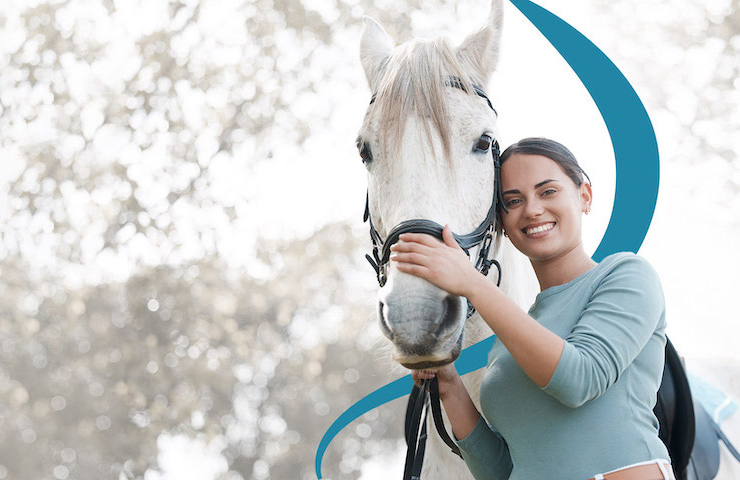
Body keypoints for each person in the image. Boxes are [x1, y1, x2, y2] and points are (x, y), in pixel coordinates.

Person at [389, 138, 674, 480]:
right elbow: (502, 472)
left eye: (548, 191)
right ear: (502, 226)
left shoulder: (627, 275)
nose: (533, 209)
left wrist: (470, 283)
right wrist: (449, 385)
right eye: (513, 201)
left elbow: (579, 379)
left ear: (584, 196)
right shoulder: (508, 341)